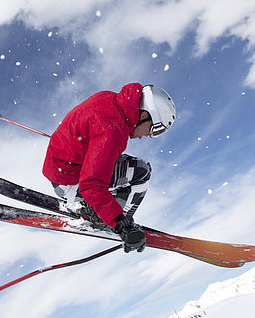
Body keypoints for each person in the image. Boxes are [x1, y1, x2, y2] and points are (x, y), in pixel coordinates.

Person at [42, 83, 176, 252]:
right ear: (145, 114)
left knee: (122, 166)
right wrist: (121, 225)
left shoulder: (110, 100)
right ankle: (107, 218)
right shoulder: (113, 128)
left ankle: (103, 210)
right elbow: (91, 184)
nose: (147, 136)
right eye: (154, 129)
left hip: (62, 169)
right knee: (141, 171)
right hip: (69, 182)